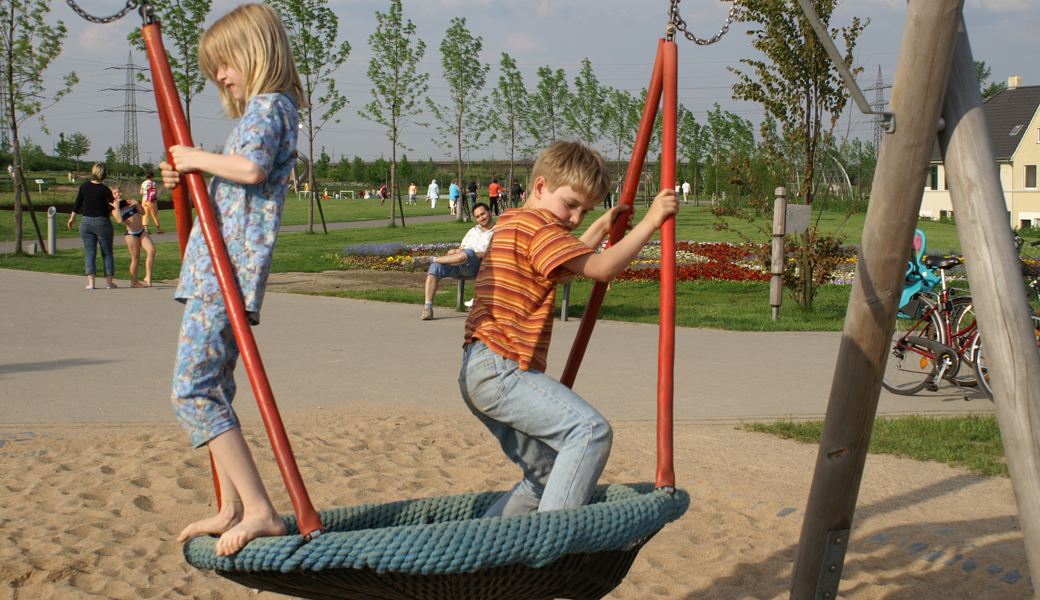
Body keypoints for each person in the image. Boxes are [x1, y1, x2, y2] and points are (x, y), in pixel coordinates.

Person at [459, 140, 678, 518]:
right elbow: (601, 268)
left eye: (585, 210)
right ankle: (551, 544)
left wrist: (598, 226)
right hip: (502, 368)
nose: (575, 218)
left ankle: (480, 548)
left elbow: (562, 271)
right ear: (541, 187)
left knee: (544, 476)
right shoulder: (540, 228)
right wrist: (650, 222)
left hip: (478, 371)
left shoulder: (515, 220)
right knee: (590, 433)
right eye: (571, 205)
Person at [158, 2, 305, 557]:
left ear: (255, 51)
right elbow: (231, 179)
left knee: (192, 390)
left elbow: (249, 170)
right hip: (218, 267)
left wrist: (195, 156)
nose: (220, 76)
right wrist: (186, 169)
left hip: (225, 270)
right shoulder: (268, 110)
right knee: (212, 388)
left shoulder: (268, 106)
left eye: (225, 63)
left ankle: (260, 509)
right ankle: (231, 505)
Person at [421, 202, 495, 321]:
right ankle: (428, 308)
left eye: (483, 214)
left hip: (476, 266)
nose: (481, 218)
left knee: (469, 253)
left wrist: (469, 254)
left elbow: (493, 254)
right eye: (478, 216)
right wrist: (455, 251)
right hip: (459, 262)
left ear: (490, 212)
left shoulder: (499, 231)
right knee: (435, 267)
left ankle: (430, 259)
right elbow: (462, 248)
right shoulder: (473, 230)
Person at [67, 163, 117, 290]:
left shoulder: (85, 186)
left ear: (93, 172)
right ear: (105, 174)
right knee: (107, 253)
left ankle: (91, 283)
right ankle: (109, 283)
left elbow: (78, 203)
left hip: (86, 222)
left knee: (90, 252)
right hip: (103, 222)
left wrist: (72, 218)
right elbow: (113, 204)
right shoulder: (105, 190)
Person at [110, 188, 156, 288]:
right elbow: (119, 220)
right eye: (115, 193)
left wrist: (137, 204)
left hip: (141, 232)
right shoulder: (115, 209)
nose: (118, 194)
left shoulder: (130, 202)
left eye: (119, 192)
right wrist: (117, 207)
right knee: (136, 258)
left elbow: (143, 212)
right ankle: (134, 282)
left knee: (152, 250)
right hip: (131, 234)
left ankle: (148, 276)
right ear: (112, 196)